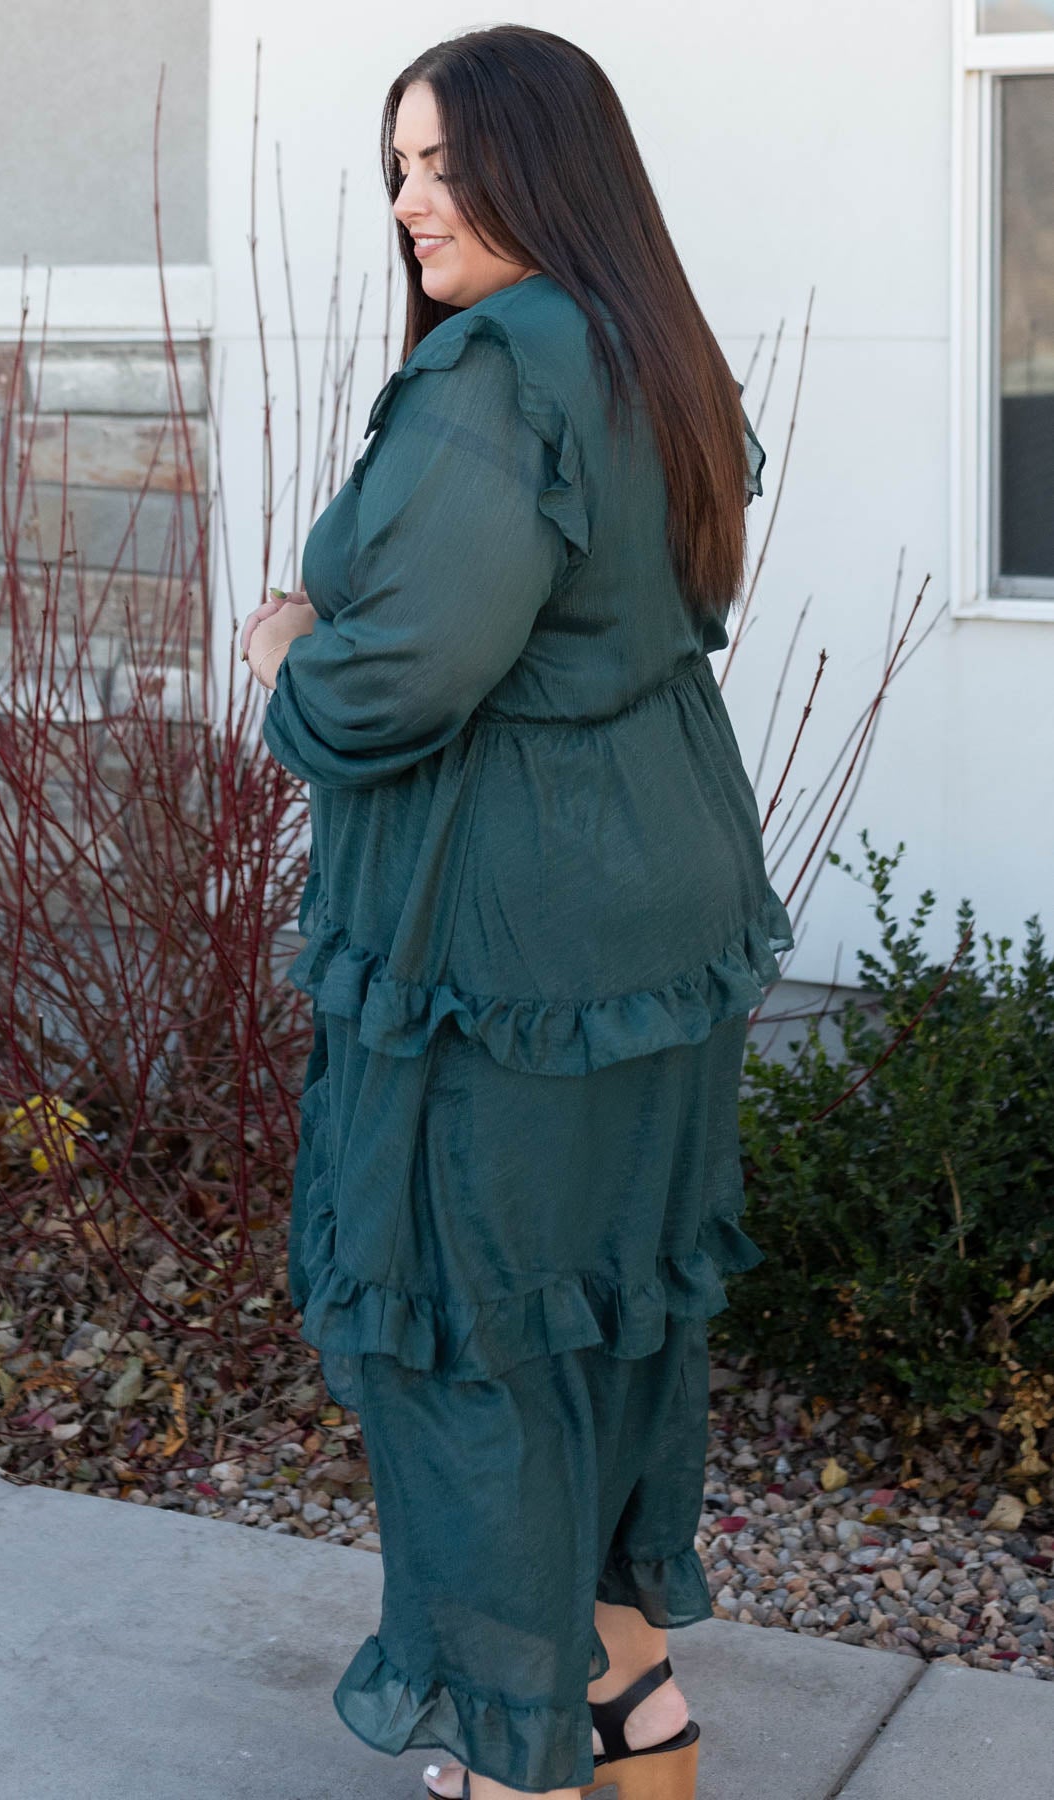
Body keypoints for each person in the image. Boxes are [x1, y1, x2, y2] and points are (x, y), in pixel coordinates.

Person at [239, 25, 793, 1800]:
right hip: (649, 908)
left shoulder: (497, 373)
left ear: (545, 171)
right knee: (593, 1305)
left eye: (444, 164)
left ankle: (516, 1756)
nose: (410, 202)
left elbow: (403, 677)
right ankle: (625, 1697)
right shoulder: (652, 353)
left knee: (471, 1323)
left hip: (512, 942)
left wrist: (284, 661)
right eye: (396, 166)